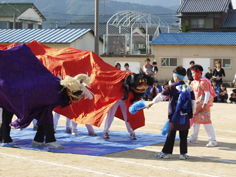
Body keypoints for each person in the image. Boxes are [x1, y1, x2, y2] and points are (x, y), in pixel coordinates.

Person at [146, 66, 195, 160]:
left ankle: (165, 152)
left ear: (176, 76)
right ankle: (183, 154)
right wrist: (191, 113)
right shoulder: (188, 87)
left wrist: (152, 103)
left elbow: (161, 95)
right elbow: (193, 102)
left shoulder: (173, 87)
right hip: (185, 114)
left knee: (171, 135)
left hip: (174, 114)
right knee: (183, 135)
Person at [103, 70, 154, 140]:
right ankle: (105, 131)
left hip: (124, 100)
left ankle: (132, 132)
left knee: (128, 115)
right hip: (115, 99)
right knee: (110, 115)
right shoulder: (122, 78)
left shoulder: (133, 80)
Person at [188, 64, 217, 147]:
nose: (192, 75)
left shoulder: (204, 81)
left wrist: (205, 104)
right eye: (192, 73)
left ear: (198, 73)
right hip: (196, 105)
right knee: (196, 122)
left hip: (203, 106)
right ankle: (194, 138)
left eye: (193, 73)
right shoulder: (193, 82)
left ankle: (213, 140)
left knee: (206, 122)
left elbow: (207, 93)